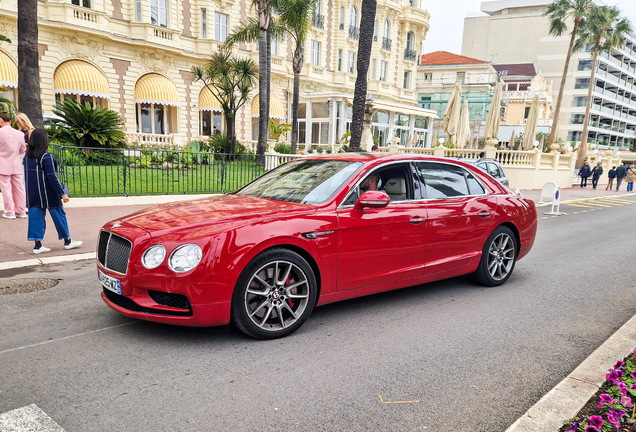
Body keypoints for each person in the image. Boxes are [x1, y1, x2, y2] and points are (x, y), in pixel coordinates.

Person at [23, 128, 82, 254]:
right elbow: (52, 177)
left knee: (35, 218)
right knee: (59, 215)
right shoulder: (46, 156)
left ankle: (37, 245)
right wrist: (62, 193)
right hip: (49, 193)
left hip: (33, 193)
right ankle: (67, 241)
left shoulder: (27, 157)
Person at [0, 113, 27, 219]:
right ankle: (21, 211)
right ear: (10, 121)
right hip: (16, 164)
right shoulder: (19, 134)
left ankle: (9, 211)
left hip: (3, 164)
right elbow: (22, 150)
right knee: (19, 188)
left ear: (1, 121)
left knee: (6, 188)